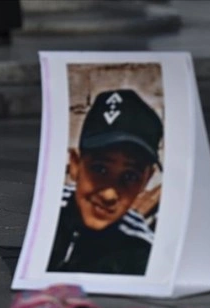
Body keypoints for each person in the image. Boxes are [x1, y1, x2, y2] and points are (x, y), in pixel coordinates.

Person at [47, 89, 163, 275]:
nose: (109, 194)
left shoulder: (140, 250)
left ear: (146, 180)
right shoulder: (48, 211)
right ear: (76, 165)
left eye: (130, 177)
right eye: (100, 169)